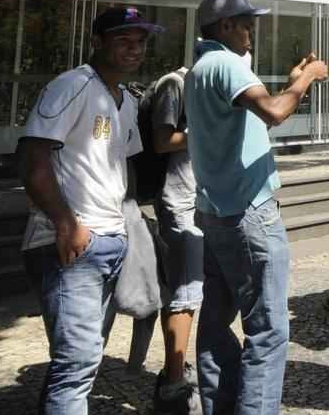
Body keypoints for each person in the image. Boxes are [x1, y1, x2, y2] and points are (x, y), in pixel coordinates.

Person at [185, 0, 328, 414]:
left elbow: (257, 115)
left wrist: (289, 84)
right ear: (225, 26)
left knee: (214, 323)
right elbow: (274, 112)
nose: (252, 31)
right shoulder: (227, 64)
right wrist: (306, 79)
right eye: (246, 23)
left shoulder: (199, 69)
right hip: (248, 213)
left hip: (214, 212)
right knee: (267, 330)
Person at [19, 7, 162, 413]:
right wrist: (67, 224)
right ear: (98, 42)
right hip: (71, 244)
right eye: (123, 41)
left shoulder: (126, 100)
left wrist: (129, 225)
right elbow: (33, 159)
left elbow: (123, 165)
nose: (134, 50)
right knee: (77, 366)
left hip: (109, 240)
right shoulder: (72, 85)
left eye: (140, 42)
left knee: (79, 362)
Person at [138, 66, 202, 414]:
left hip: (197, 200)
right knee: (183, 293)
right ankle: (173, 385)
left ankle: (176, 372)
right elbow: (163, 140)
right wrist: (209, 130)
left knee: (191, 293)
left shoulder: (202, 85)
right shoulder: (175, 84)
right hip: (178, 202)